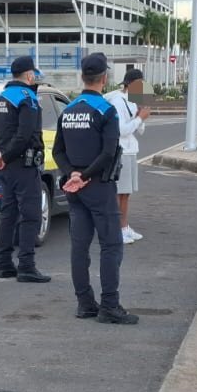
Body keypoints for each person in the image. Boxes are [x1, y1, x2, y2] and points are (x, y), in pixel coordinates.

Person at [53, 52, 139, 324]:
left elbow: (57, 151)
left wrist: (73, 174)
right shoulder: (105, 110)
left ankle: (85, 304)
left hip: (74, 189)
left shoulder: (68, 110)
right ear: (104, 78)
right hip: (98, 186)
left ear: (83, 77)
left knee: (79, 247)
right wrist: (86, 175)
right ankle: (110, 306)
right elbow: (109, 152)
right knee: (111, 245)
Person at [0, 54, 50, 282]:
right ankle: (26, 266)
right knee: (31, 215)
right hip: (23, 165)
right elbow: (24, 135)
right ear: (29, 75)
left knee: (8, 214)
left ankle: (3, 264)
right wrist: (5, 155)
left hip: (5, 167)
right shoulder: (27, 99)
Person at [107, 68, 151, 244]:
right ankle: (118, 229)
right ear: (131, 84)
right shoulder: (118, 101)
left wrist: (140, 116)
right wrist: (139, 118)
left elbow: (140, 130)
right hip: (121, 151)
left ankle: (124, 227)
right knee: (120, 193)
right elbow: (121, 130)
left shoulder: (134, 101)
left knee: (126, 193)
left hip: (131, 150)